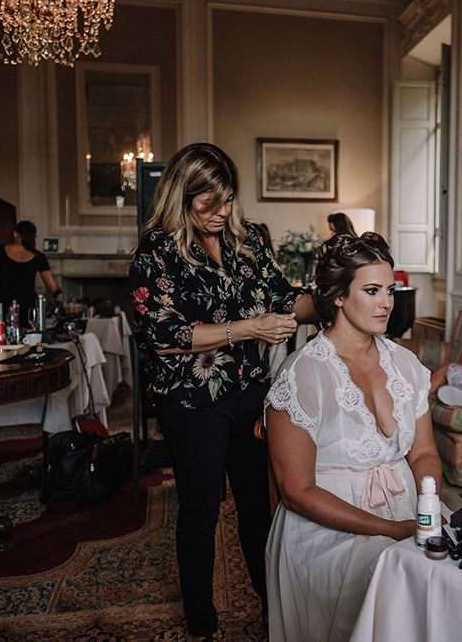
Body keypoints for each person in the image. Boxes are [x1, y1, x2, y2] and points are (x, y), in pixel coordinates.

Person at [128, 142, 316, 641]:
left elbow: (283, 297)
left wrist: (336, 297)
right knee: (200, 511)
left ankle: (274, 612)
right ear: (181, 196)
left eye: (228, 200)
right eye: (209, 203)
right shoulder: (157, 251)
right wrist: (247, 329)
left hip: (250, 393)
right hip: (190, 401)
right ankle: (201, 624)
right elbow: (163, 335)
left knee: (259, 508)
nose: (223, 212)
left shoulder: (250, 239)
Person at [265, 232, 442, 642]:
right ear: (339, 297)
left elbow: (424, 454)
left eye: (390, 291)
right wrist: (391, 530)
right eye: (372, 290)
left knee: (459, 570)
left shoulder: (407, 365)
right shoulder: (303, 374)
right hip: (328, 526)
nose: (386, 303)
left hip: (409, 509)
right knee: (389, 577)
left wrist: (428, 507)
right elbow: (297, 490)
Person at [0, 220, 61, 326]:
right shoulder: (39, 256)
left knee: (2, 334)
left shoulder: (0, 250)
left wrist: (6, 278)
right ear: (33, 237)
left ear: (16, 234)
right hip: (28, 303)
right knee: (29, 337)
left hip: (3, 301)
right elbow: (52, 287)